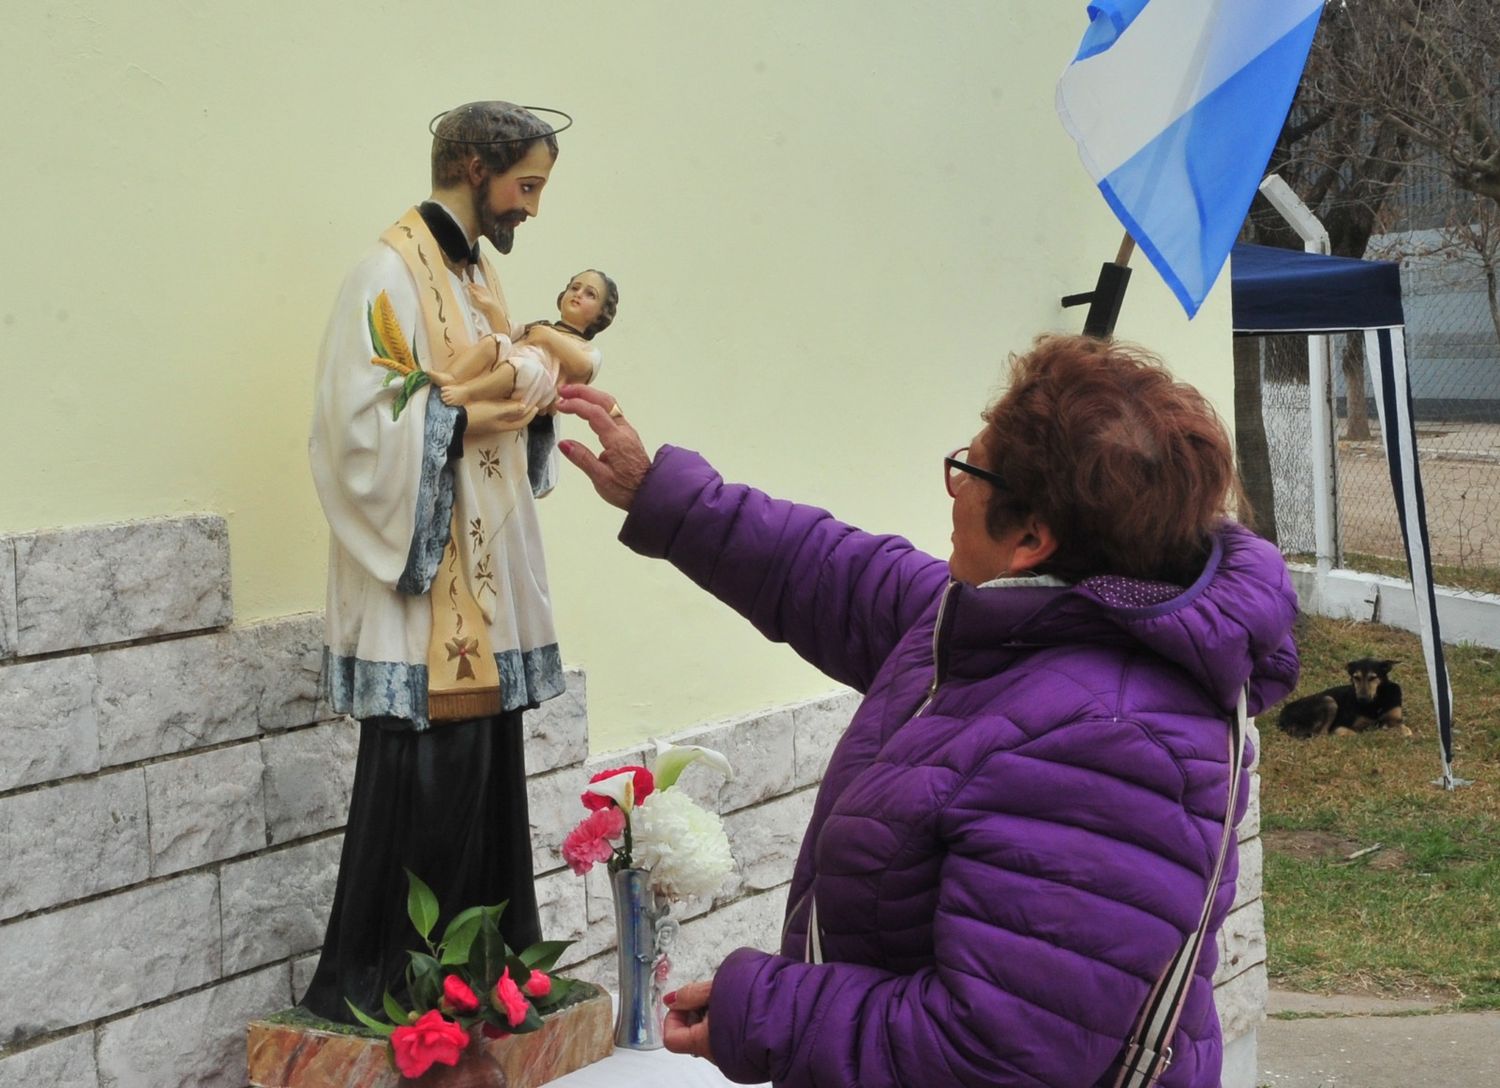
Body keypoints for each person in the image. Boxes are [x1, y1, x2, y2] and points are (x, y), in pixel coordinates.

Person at [554, 335, 1300, 1088]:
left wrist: (764, 1013)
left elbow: (991, 1056)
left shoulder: (1110, 745)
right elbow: (834, 575)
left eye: (968, 471)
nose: (954, 489)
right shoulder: (1020, 623)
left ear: (1033, 539)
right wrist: (666, 497)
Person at [302, 101, 570, 1023]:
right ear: (470, 163)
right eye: (525, 185)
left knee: (482, 775)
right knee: (424, 778)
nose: (531, 208)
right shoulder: (389, 272)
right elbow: (352, 431)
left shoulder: (477, 278)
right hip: (424, 597)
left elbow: (494, 396)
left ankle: (481, 970)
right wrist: (456, 418)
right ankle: (391, 980)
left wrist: (535, 391)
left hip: (483, 580)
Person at [430, 269, 619, 433]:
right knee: (498, 340)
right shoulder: (541, 325)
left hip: (537, 383)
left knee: (524, 367)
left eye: (590, 294)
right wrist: (491, 307)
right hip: (512, 363)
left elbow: (583, 367)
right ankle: (453, 376)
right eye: (575, 288)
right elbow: (507, 330)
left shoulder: (587, 349)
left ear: (601, 314)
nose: (578, 294)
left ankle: (468, 392)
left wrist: (547, 337)